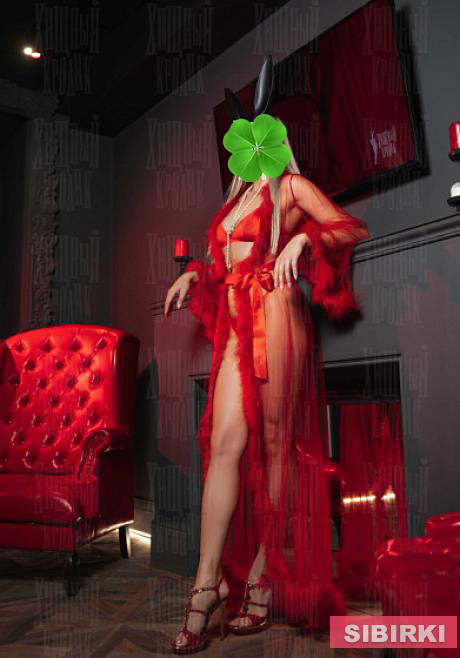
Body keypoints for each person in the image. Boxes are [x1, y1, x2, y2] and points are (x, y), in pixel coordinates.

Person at [163, 127, 371, 653]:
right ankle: (207, 584)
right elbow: (227, 263)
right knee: (224, 446)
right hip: (236, 324)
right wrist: (196, 276)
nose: (253, 150)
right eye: (245, 142)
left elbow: (352, 227)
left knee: (278, 449)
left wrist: (305, 238)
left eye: (261, 140)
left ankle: (263, 572)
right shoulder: (235, 199)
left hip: (276, 312)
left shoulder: (291, 187)